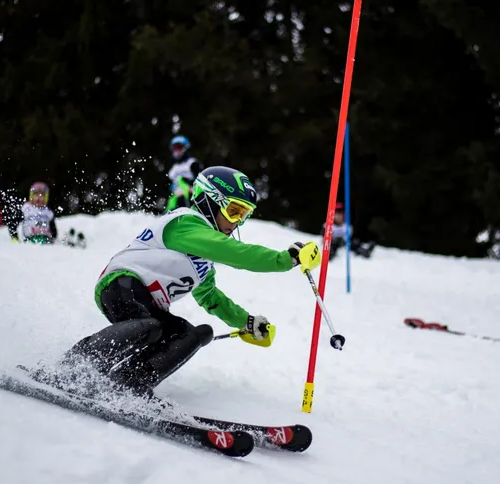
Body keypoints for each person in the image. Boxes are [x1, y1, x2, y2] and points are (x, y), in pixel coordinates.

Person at [54, 165, 321, 397]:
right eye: (234, 210)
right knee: (149, 327)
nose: (236, 222)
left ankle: (128, 384)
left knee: (193, 334)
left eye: (244, 215)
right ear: (209, 200)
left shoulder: (203, 259)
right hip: (121, 285)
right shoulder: (186, 223)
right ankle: (76, 367)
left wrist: (247, 323)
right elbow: (236, 254)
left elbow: (210, 298)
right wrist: (286, 259)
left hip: (148, 305)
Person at [165, 135, 203, 212]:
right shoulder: (173, 168)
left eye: (179, 148)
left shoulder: (192, 163)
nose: (177, 151)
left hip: (190, 196)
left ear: (185, 148)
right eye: (175, 148)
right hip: (176, 197)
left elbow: (200, 181)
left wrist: (189, 186)